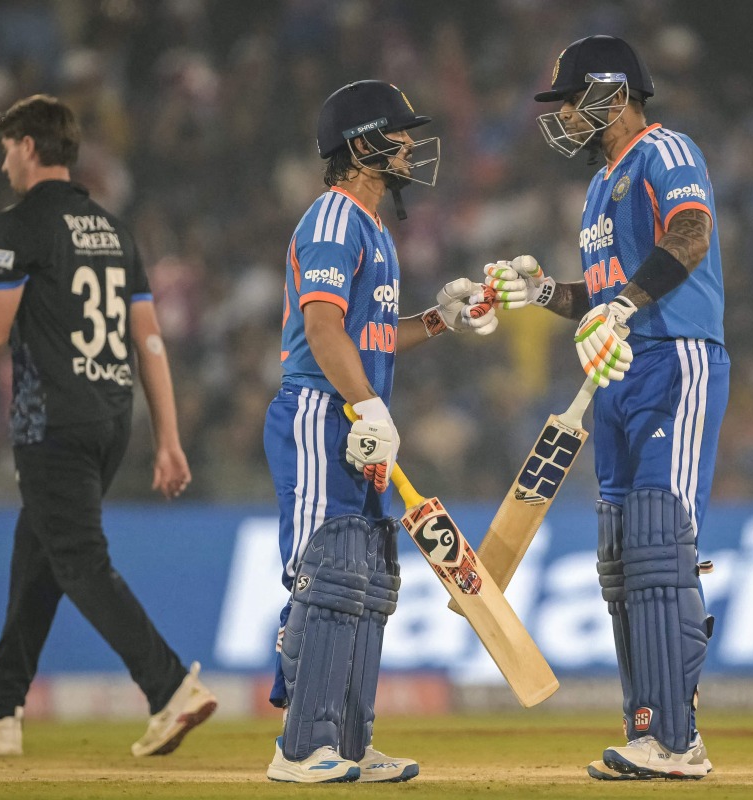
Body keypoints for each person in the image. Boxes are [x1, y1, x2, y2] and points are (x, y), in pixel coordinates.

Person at [0, 94, 216, 758]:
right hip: (111, 421)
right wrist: (167, 436)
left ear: (31, 147)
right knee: (37, 560)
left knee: (77, 561)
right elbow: (149, 339)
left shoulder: (18, 225)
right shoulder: (115, 229)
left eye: (7, 146)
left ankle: (169, 690)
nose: (3, 160)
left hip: (52, 422)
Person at [483, 36, 727, 780]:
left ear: (613, 92)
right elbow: (602, 300)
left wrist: (624, 302)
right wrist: (546, 295)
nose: (560, 115)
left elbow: (690, 233)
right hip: (618, 371)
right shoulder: (597, 188)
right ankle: (648, 728)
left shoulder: (666, 149)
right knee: (621, 557)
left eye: (568, 99)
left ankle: (680, 740)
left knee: (658, 541)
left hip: (673, 358)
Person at [262, 80, 497, 783]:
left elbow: (370, 335)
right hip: (318, 416)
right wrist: (365, 405)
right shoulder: (334, 219)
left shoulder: (372, 229)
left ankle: (349, 746)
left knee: (365, 579)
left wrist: (438, 320)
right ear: (362, 143)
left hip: (355, 420)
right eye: (397, 135)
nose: (409, 147)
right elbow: (322, 328)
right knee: (326, 570)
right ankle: (300, 748)